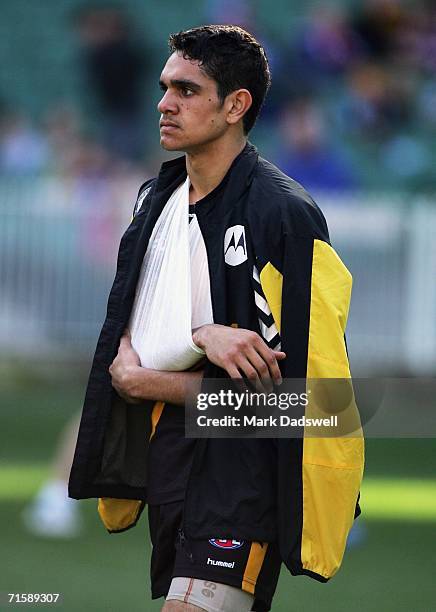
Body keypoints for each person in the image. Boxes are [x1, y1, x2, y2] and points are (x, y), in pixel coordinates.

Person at [69, 25, 364, 612]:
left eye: (186, 89)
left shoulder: (285, 217)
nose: (163, 103)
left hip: (243, 474)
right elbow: (130, 332)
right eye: (163, 87)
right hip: (171, 463)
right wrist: (196, 335)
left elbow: (308, 403)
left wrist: (144, 380)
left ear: (235, 106)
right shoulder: (156, 202)